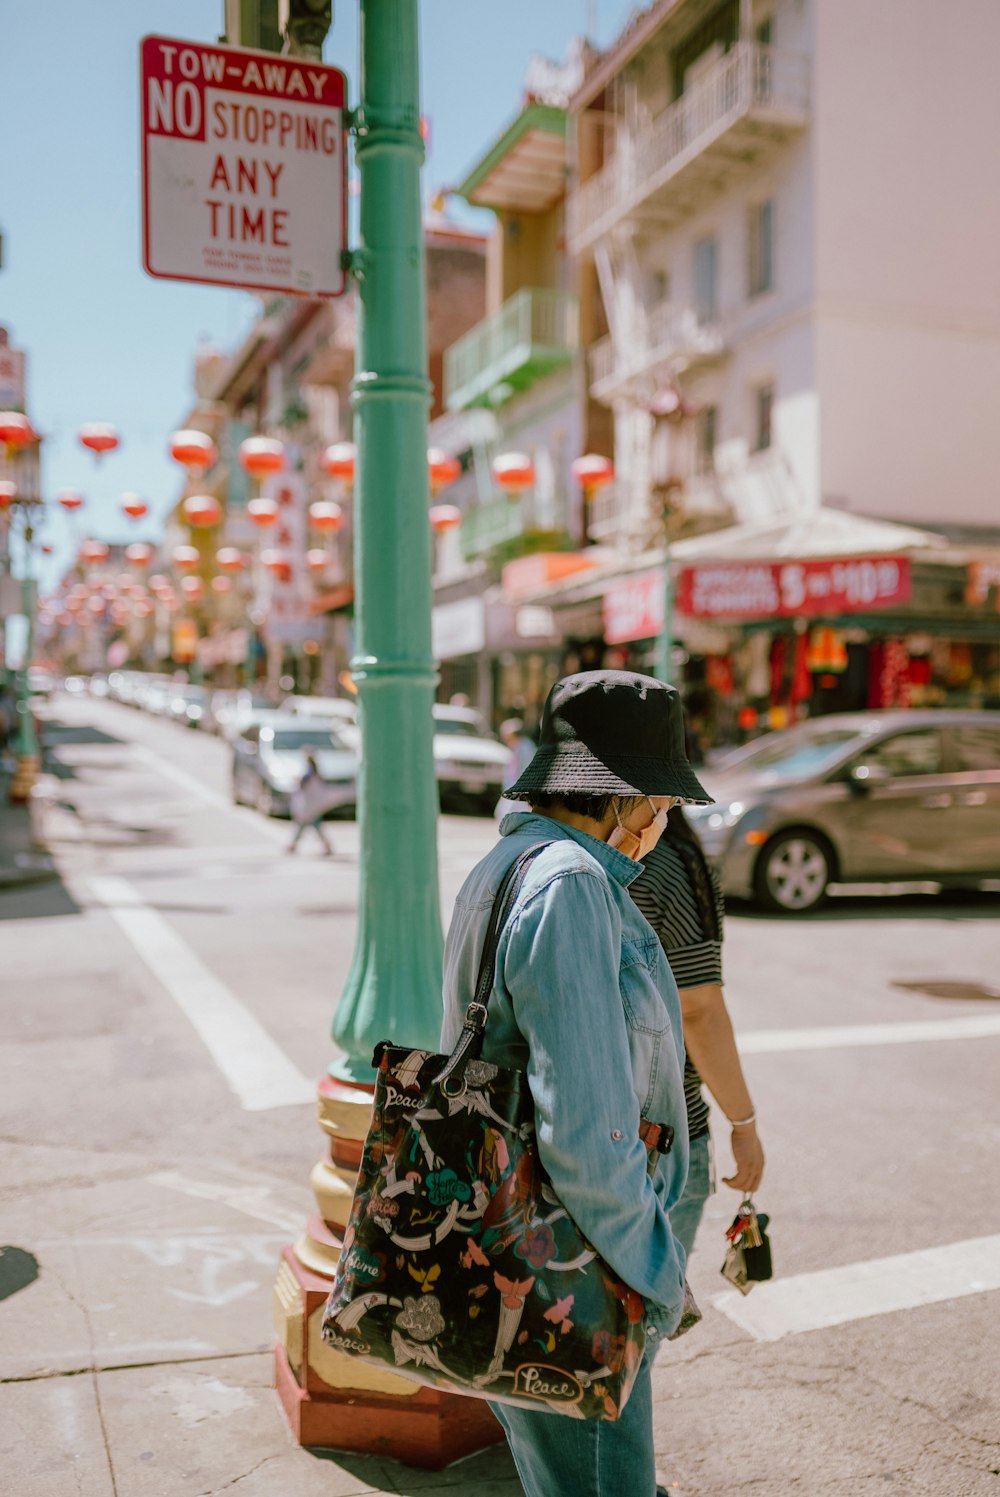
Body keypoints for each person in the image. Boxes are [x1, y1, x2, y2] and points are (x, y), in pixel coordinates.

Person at [441, 670, 714, 1497]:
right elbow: (589, 1137)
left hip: (519, 1250)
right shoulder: (572, 886)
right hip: (576, 1273)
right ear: (625, 797)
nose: (664, 822)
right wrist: (659, 1275)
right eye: (662, 801)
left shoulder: (507, 862)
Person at [630, 806, 765, 1262]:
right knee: (642, 1319)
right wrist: (743, 1125)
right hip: (660, 1130)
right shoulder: (667, 864)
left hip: (562, 1121)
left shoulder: (540, 853)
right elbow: (698, 1009)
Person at [287, 753, 334, 855]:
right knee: (310, 826)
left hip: (309, 805)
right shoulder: (316, 772)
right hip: (313, 804)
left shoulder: (309, 773)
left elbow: (303, 782)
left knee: (305, 826)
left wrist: (297, 780)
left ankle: (293, 845)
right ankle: (293, 845)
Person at [493, 716, 535, 820]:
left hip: (520, 788)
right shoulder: (515, 746)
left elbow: (525, 768)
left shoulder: (526, 747)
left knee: (507, 815)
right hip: (512, 787)